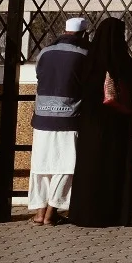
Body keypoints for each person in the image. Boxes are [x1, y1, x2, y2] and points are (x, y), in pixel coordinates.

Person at [70, 17, 132, 227]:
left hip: (90, 123)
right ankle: (114, 213)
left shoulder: (89, 61)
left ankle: (86, 213)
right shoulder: (123, 61)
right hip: (116, 122)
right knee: (113, 167)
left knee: (90, 167)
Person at [28, 17, 88, 225]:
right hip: (69, 117)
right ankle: (52, 211)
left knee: (41, 164)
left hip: (42, 115)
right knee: (66, 164)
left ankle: (38, 212)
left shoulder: (44, 52)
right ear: (83, 34)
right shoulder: (84, 54)